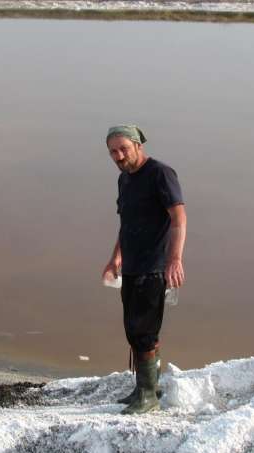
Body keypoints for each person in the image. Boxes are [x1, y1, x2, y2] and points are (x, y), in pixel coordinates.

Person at [101, 125, 186, 415]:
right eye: (113, 151)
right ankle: (146, 388)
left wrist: (175, 260)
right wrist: (116, 258)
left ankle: (149, 396)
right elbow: (125, 224)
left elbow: (179, 219)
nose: (119, 155)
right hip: (133, 266)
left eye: (123, 148)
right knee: (134, 330)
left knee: (144, 331)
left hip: (154, 265)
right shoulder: (124, 180)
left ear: (138, 145)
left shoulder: (160, 174)